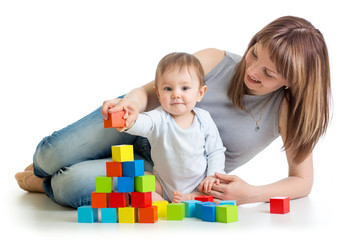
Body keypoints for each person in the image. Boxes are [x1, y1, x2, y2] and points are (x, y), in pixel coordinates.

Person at [15, 16, 331, 208]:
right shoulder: (216, 60)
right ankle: (44, 168)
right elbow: (149, 91)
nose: (253, 70)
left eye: (270, 73)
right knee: (50, 154)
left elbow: (302, 182)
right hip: (138, 123)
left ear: (292, 81)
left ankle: (46, 183)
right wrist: (132, 105)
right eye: (255, 53)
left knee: (68, 185)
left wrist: (251, 194)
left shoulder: (287, 111)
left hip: (159, 176)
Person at [122, 52, 226, 203]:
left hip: (198, 186)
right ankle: (161, 204)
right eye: (168, 89)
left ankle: (190, 198)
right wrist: (128, 121)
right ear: (158, 93)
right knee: (134, 180)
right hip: (163, 186)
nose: (176, 94)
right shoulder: (159, 117)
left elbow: (215, 151)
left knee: (216, 189)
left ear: (200, 93)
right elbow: (143, 123)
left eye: (184, 88)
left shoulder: (204, 119)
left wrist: (212, 176)